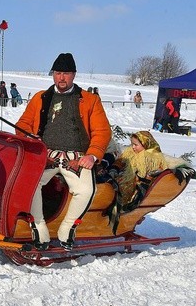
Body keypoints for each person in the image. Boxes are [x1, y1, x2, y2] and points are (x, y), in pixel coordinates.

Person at [16, 53, 112, 250]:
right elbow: (23, 124)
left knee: (86, 190)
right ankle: (38, 226)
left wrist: (92, 155)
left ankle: (67, 228)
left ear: (74, 75)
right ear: (53, 74)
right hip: (45, 155)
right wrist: (28, 138)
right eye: (58, 73)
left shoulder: (90, 100)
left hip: (77, 158)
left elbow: (102, 131)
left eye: (66, 73)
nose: (61, 78)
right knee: (29, 184)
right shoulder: (40, 98)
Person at [107, 131, 167, 211]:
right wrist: (115, 168)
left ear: (145, 144)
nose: (133, 147)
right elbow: (121, 161)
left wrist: (150, 176)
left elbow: (159, 170)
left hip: (139, 184)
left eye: (136, 145)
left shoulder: (153, 157)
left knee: (131, 192)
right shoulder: (129, 153)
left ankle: (127, 207)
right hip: (124, 177)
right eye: (132, 144)